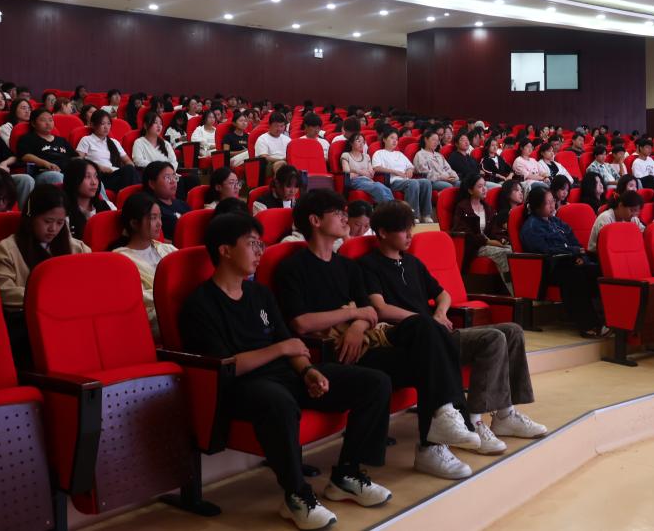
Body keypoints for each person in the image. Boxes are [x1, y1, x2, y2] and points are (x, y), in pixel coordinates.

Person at [181, 212, 392, 528]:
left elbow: (289, 343)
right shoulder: (200, 304)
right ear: (225, 251)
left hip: (286, 376)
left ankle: (347, 475)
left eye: (261, 244)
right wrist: (281, 351)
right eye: (252, 244)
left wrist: (308, 372)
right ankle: (296, 496)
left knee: (375, 383)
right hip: (242, 387)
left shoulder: (260, 294)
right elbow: (226, 366)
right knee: (278, 401)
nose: (259, 252)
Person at [273, 190, 478, 480]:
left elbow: (369, 311)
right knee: (428, 343)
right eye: (337, 213)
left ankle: (437, 435)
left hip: (364, 345)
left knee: (427, 335)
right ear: (315, 221)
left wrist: (357, 326)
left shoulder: (347, 266)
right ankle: (441, 431)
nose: (345, 217)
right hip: (331, 353)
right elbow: (302, 323)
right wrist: (352, 315)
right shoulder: (293, 267)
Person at [361, 200, 544, 455]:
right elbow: (380, 308)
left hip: (438, 333)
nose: (410, 236)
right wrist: (424, 320)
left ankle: (505, 415)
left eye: (411, 229)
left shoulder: (412, 263)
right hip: (411, 341)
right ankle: (473, 421)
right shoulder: (368, 265)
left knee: (512, 331)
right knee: (492, 338)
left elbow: (443, 294)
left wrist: (439, 313)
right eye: (403, 230)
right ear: (382, 232)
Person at [0, 185, 90, 365]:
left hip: (73, 317)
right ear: (31, 217)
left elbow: (91, 282)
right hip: (32, 323)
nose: (53, 229)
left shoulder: (77, 248)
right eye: (48, 221)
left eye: (60, 223)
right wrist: (52, 300)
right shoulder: (5, 250)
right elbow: (4, 292)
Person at [519, 187, 607, 338]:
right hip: (548, 268)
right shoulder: (531, 227)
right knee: (574, 275)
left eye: (553, 201)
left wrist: (580, 257)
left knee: (598, 270)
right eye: (548, 203)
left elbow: (575, 244)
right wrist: (573, 252)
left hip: (568, 262)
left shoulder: (556, 222)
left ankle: (610, 320)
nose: (552, 205)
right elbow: (547, 251)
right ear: (537, 207)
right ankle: (588, 325)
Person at [110, 192, 177, 338]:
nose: (159, 223)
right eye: (153, 218)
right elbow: (138, 299)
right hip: (153, 319)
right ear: (134, 223)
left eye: (160, 217)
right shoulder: (120, 260)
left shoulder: (168, 249)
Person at [452, 174, 511, 285]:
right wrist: (487, 241)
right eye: (480, 186)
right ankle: (515, 290)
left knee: (514, 250)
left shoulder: (488, 208)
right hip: (474, 247)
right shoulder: (462, 208)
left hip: (488, 243)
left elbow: (494, 229)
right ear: (470, 190)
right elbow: (466, 233)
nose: (484, 189)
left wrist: (501, 239)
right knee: (505, 253)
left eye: (485, 185)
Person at [372, 129, 433, 223]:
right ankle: (412, 216)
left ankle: (426, 215)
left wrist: (409, 170)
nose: (394, 141)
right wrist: (395, 172)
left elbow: (411, 167)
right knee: (413, 183)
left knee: (426, 182)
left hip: (405, 180)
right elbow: (376, 168)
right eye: (392, 138)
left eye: (396, 139)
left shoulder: (399, 154)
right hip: (392, 181)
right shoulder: (379, 153)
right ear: (384, 139)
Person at [75, 110, 141, 192]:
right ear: (92, 124)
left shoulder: (114, 142)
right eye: (102, 124)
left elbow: (127, 160)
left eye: (108, 124)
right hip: (100, 177)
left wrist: (131, 168)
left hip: (116, 174)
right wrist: (98, 167)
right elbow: (78, 161)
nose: (106, 127)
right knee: (129, 171)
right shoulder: (86, 140)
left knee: (131, 170)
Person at [16, 108, 77, 187]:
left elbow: (75, 157)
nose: (48, 123)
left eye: (50, 120)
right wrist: (46, 163)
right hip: (43, 174)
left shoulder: (61, 140)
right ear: (33, 123)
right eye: (43, 120)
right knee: (56, 176)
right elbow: (25, 156)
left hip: (66, 172)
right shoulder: (28, 138)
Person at [62, 158, 116, 240]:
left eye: (96, 176)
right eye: (87, 177)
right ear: (73, 180)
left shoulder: (108, 206)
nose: (94, 182)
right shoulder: (64, 213)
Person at [141, 161, 191, 240]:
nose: (173, 181)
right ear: (152, 184)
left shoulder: (183, 204)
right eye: (168, 178)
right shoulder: (152, 210)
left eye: (174, 177)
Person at [339, 132, 394, 203]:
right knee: (378, 187)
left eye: (363, 142)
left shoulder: (366, 156)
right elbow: (347, 173)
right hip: (355, 181)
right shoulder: (346, 155)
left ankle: (392, 207)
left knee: (387, 189)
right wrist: (361, 172)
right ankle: (390, 208)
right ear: (351, 143)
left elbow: (371, 174)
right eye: (358, 141)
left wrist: (355, 171)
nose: (361, 144)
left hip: (368, 181)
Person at [487, 179, 523, 246]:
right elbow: (514, 231)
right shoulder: (504, 214)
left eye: (521, 191)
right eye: (516, 190)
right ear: (508, 193)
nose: (521, 193)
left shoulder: (523, 210)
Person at [255, 113, 291, 177]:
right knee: (280, 164)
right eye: (276, 126)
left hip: (286, 162)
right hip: (269, 165)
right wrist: (281, 160)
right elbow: (264, 157)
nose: (279, 129)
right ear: (269, 125)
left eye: (282, 126)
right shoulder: (262, 139)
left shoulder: (287, 139)